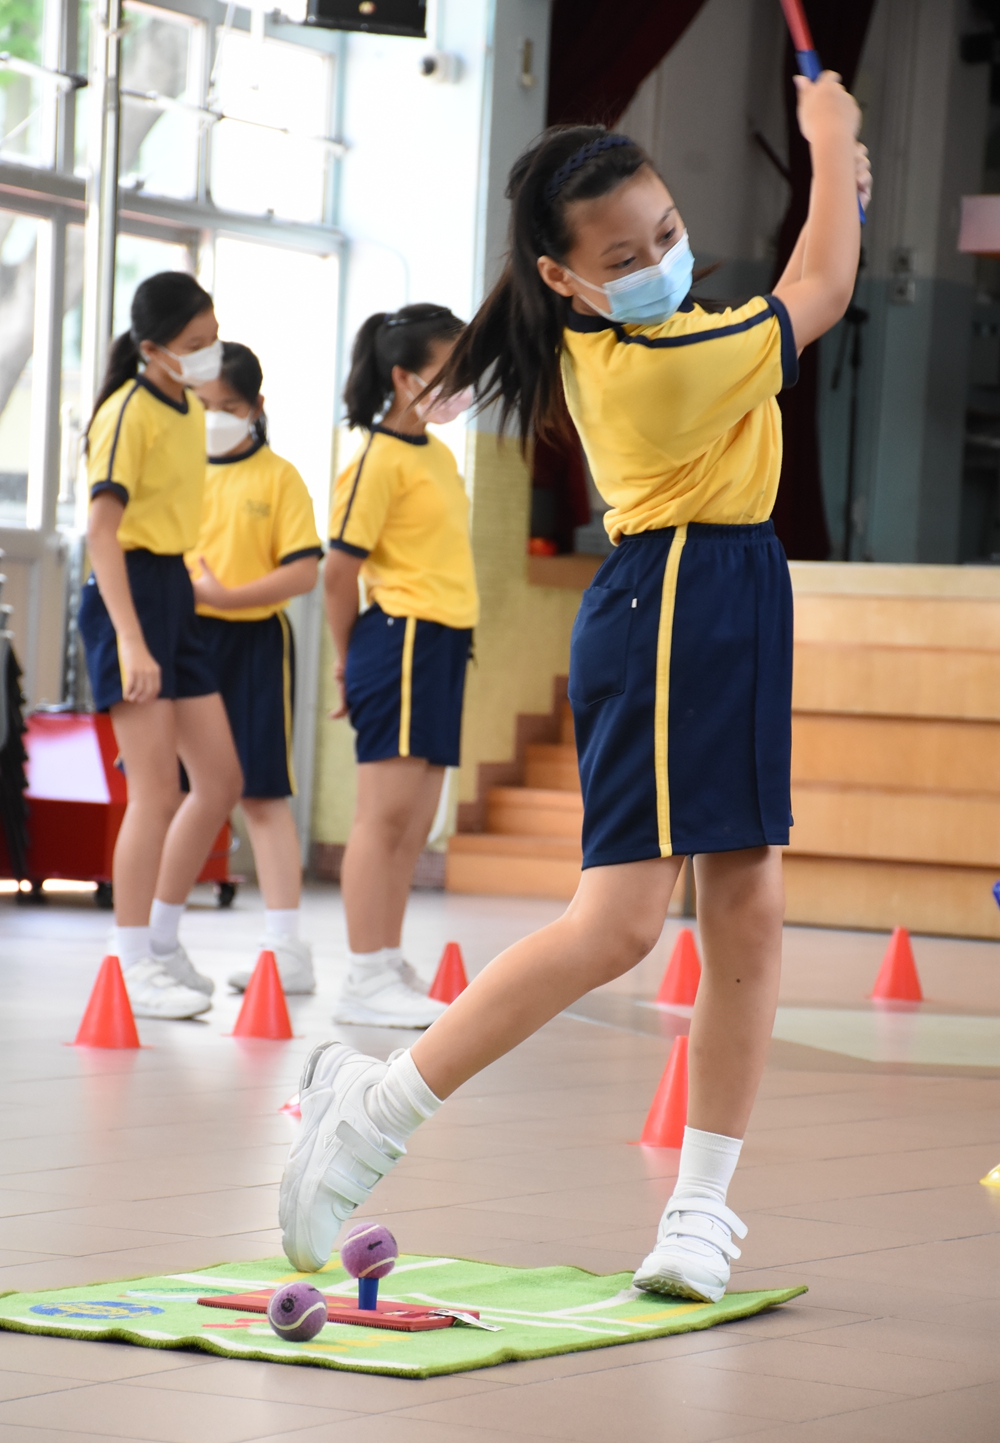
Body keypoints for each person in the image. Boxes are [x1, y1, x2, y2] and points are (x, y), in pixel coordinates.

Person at [279, 76, 870, 1300]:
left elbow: (807, 277)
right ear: (562, 278)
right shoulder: (654, 361)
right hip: (674, 605)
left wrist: (839, 189)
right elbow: (818, 289)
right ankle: (373, 1110)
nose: (659, 260)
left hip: (735, 591)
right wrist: (828, 148)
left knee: (748, 908)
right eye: (623, 255)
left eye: (666, 232)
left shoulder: (670, 330)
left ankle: (697, 1211)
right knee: (619, 926)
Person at [80, 272, 243, 1019]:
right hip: (130, 596)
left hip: (174, 591)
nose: (209, 354)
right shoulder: (126, 412)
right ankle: (130, 961)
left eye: (213, 339)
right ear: (152, 349)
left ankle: (164, 942)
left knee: (220, 781)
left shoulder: (189, 408)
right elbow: (101, 533)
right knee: (155, 792)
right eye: (194, 344)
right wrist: (130, 640)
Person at [323, 303, 478, 1029]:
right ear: (403, 377)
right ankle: (363, 975)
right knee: (382, 819)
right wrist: (346, 661)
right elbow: (337, 573)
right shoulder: (375, 462)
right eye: (450, 370)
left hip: (443, 642)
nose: (463, 383)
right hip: (401, 639)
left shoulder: (437, 456)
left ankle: (385, 962)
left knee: (416, 823)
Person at [186, 342, 323, 993]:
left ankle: (286, 948)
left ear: (256, 407)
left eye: (229, 406)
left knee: (262, 794)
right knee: (174, 794)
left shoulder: (280, 478)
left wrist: (227, 598)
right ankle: (152, 941)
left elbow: (303, 570)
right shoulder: (180, 472)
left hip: (255, 646)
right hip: (185, 643)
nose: (215, 417)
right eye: (203, 404)